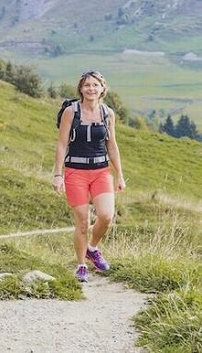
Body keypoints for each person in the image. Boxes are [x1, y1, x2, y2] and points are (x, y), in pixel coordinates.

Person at [52, 70, 126, 282]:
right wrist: (58, 174)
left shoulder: (107, 113)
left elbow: (112, 145)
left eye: (95, 85)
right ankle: (81, 265)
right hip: (75, 172)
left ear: (103, 88)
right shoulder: (70, 112)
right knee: (82, 222)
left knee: (105, 216)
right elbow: (61, 143)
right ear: (81, 89)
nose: (91, 89)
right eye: (87, 85)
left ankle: (92, 248)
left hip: (101, 171)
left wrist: (120, 174)